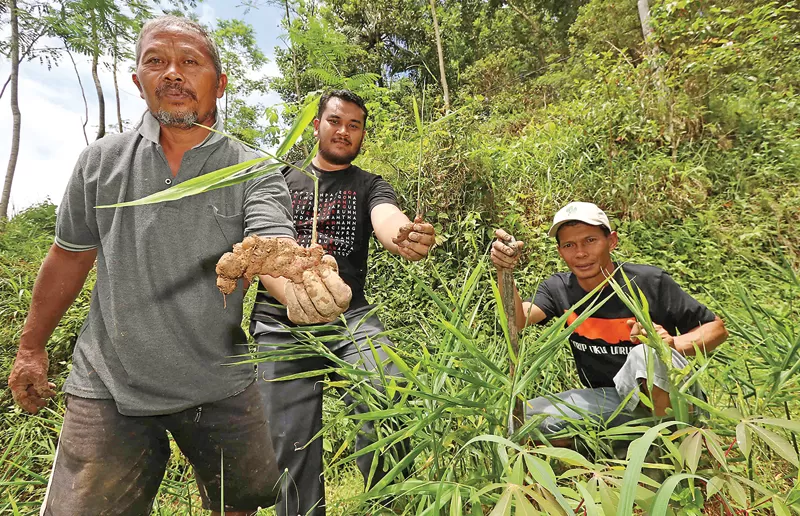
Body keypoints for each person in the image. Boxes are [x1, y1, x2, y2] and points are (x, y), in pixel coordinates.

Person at [7, 16, 347, 515]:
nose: (172, 73)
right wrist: (31, 348)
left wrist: (300, 280)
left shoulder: (252, 169)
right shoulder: (100, 163)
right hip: (111, 383)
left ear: (221, 82)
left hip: (221, 378)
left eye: (190, 61)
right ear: (136, 81)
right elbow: (68, 258)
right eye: (155, 62)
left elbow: (269, 244)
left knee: (243, 500)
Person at [249, 89, 436, 515]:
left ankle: (388, 507)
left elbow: (387, 218)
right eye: (335, 121)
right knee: (290, 438)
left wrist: (404, 235)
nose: (343, 131)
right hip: (279, 320)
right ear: (316, 125)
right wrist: (291, 293)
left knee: (387, 391)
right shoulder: (277, 178)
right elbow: (256, 247)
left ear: (363, 135)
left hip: (351, 317)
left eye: (354, 125)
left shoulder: (369, 184)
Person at [491, 202, 728, 436]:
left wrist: (672, 345)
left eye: (590, 241)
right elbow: (518, 320)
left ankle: (673, 442)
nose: (581, 253)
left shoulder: (649, 282)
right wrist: (504, 270)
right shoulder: (559, 289)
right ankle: (616, 450)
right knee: (524, 419)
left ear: (611, 241)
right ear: (560, 251)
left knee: (644, 355)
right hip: (612, 399)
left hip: (675, 397)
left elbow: (717, 329)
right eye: (569, 245)